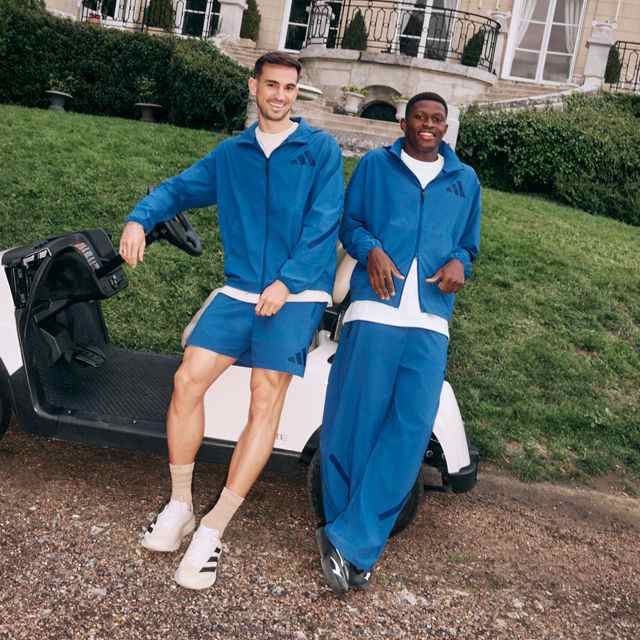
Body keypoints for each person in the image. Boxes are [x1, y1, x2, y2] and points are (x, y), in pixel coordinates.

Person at [119, 51, 343, 590]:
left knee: (265, 396)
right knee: (186, 380)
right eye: (272, 85)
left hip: (298, 293)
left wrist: (287, 282)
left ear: (296, 93)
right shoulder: (233, 153)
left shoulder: (320, 150)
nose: (281, 95)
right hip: (241, 289)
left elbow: (324, 223)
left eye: (289, 87)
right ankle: (180, 506)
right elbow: (178, 189)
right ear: (254, 87)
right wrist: (138, 219)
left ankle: (213, 529)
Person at [316, 92, 481, 593]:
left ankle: (348, 539)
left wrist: (460, 263)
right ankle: (352, 544)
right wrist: (371, 251)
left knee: (409, 433)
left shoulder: (465, 180)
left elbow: (468, 244)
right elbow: (351, 224)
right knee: (356, 424)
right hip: (375, 311)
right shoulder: (375, 166)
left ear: (446, 126)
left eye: (437, 119)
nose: (428, 125)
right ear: (404, 121)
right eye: (420, 117)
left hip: (431, 322)